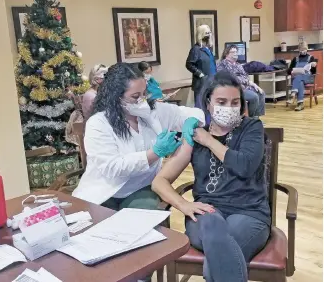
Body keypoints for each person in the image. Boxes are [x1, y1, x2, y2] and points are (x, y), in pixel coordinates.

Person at [152, 71, 271, 282]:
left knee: (217, 257)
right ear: (208, 103)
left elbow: (244, 166)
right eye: (221, 101)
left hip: (249, 213)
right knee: (211, 224)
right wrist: (183, 204)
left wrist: (208, 140)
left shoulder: (252, 128)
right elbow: (159, 181)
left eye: (235, 102)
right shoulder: (193, 137)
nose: (229, 107)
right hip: (205, 213)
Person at [72, 62, 205, 209]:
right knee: (96, 226)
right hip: (103, 189)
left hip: (140, 187)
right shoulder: (98, 123)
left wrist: (191, 121)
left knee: (143, 221)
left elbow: (193, 113)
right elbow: (112, 167)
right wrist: (154, 153)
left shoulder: (155, 112)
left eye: (144, 93)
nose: (142, 100)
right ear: (115, 96)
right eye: (135, 96)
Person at [217, 44, 266, 117]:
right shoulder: (223, 64)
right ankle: (251, 119)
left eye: (236, 52)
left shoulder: (238, 65)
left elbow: (245, 76)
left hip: (245, 87)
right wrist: (247, 82)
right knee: (254, 97)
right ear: (226, 54)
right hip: (234, 89)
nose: (235, 54)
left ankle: (257, 118)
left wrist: (253, 84)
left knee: (261, 93)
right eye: (233, 52)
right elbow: (232, 78)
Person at [186, 25, 217, 108]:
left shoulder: (208, 48)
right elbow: (189, 64)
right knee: (201, 107)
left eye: (209, 32)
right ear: (201, 34)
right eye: (206, 33)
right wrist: (200, 74)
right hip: (202, 82)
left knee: (211, 107)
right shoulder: (196, 49)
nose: (209, 35)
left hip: (212, 80)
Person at [287, 41, 317, 111]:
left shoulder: (311, 58)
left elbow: (313, 72)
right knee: (299, 81)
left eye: (304, 49)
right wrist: (291, 71)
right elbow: (289, 71)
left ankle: (293, 94)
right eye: (301, 49)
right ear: (299, 50)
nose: (303, 50)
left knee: (298, 77)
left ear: (307, 49)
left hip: (308, 78)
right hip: (299, 80)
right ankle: (300, 104)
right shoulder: (295, 59)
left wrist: (314, 66)